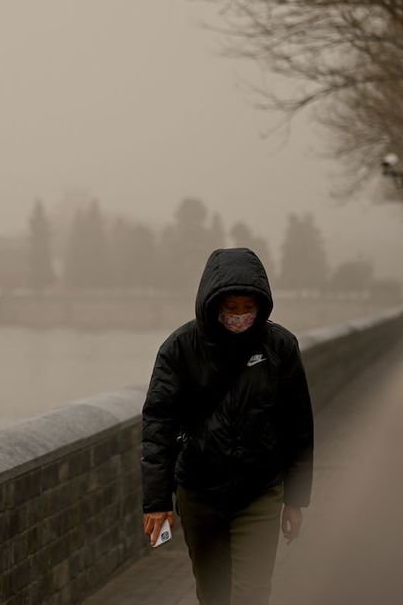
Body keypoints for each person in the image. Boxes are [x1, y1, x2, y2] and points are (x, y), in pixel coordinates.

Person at [141, 247, 314, 605]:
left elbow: (298, 426)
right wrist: (157, 502)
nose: (239, 317)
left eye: (246, 308)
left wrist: (296, 500)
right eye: (230, 308)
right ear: (213, 304)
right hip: (200, 494)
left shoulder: (280, 347)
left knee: (253, 593)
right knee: (214, 593)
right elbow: (158, 425)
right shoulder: (179, 349)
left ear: (260, 305)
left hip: (260, 493)